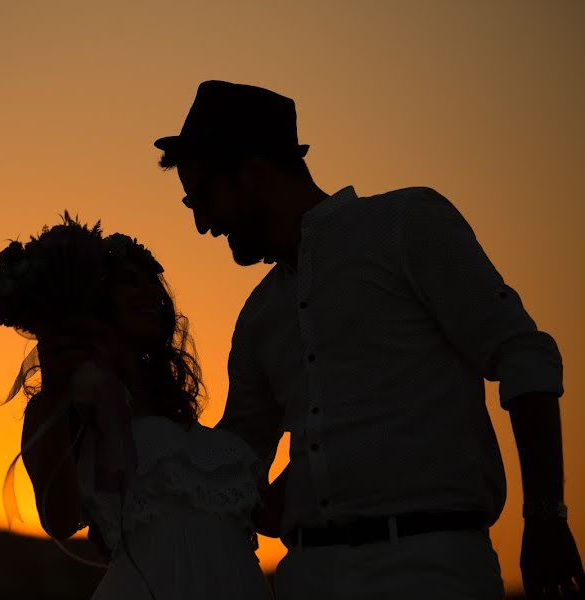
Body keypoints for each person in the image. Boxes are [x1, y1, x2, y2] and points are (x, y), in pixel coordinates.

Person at [154, 80, 584, 599]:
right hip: (305, 580)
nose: (202, 224)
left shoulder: (404, 226)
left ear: (254, 173)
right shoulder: (258, 317)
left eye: (202, 198)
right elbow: (235, 464)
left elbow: (523, 355)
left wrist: (544, 517)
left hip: (433, 571)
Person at [0, 215, 273, 599]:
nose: (152, 296)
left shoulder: (171, 406)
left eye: (153, 285)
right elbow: (58, 518)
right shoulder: (63, 407)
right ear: (96, 298)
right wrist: (58, 386)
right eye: (130, 283)